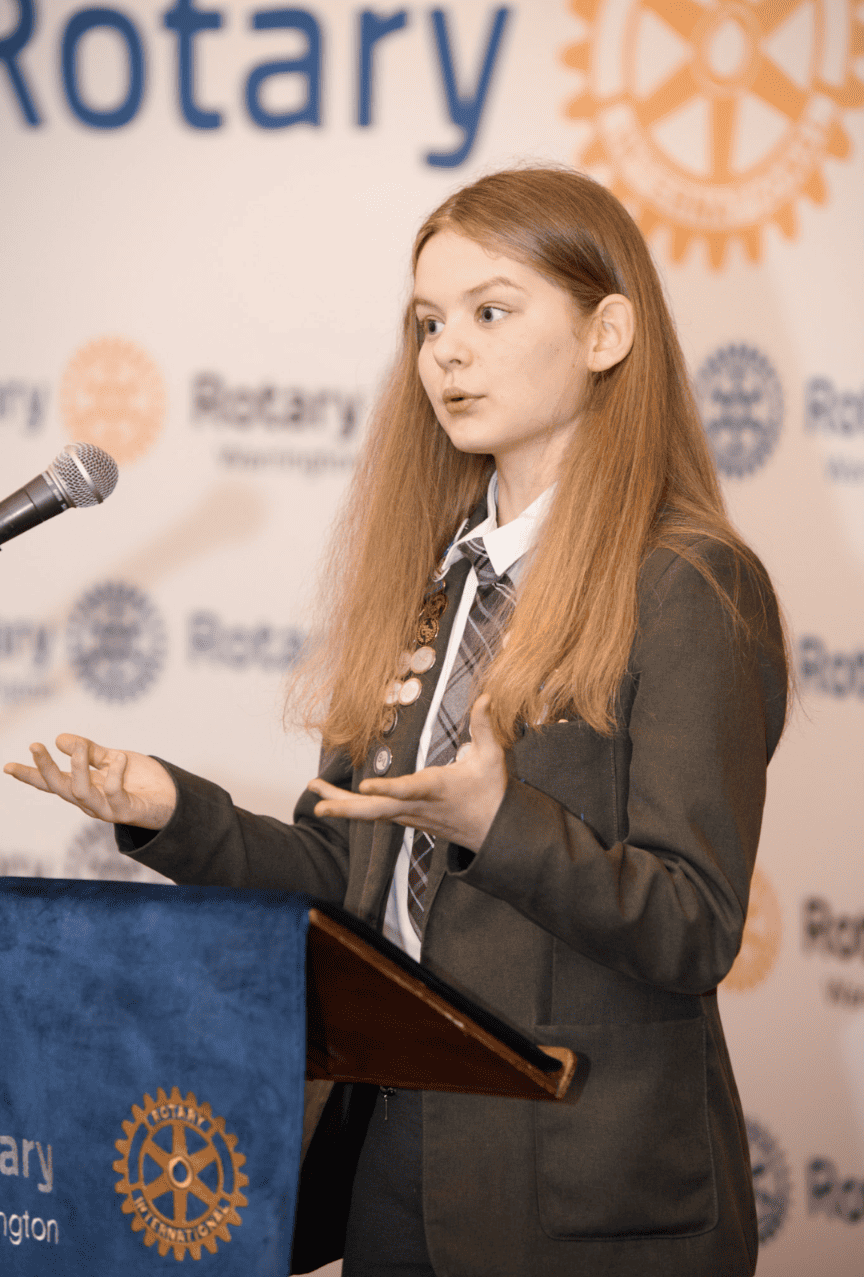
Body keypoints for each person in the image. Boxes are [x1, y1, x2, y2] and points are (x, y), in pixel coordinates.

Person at [5, 167, 788, 1277]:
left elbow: (693, 923)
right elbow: (342, 874)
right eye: (427, 322)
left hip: (586, 1192)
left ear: (609, 330)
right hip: (390, 1161)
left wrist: (498, 821)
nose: (445, 351)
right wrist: (170, 809)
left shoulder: (690, 585)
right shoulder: (433, 582)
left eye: (490, 311)